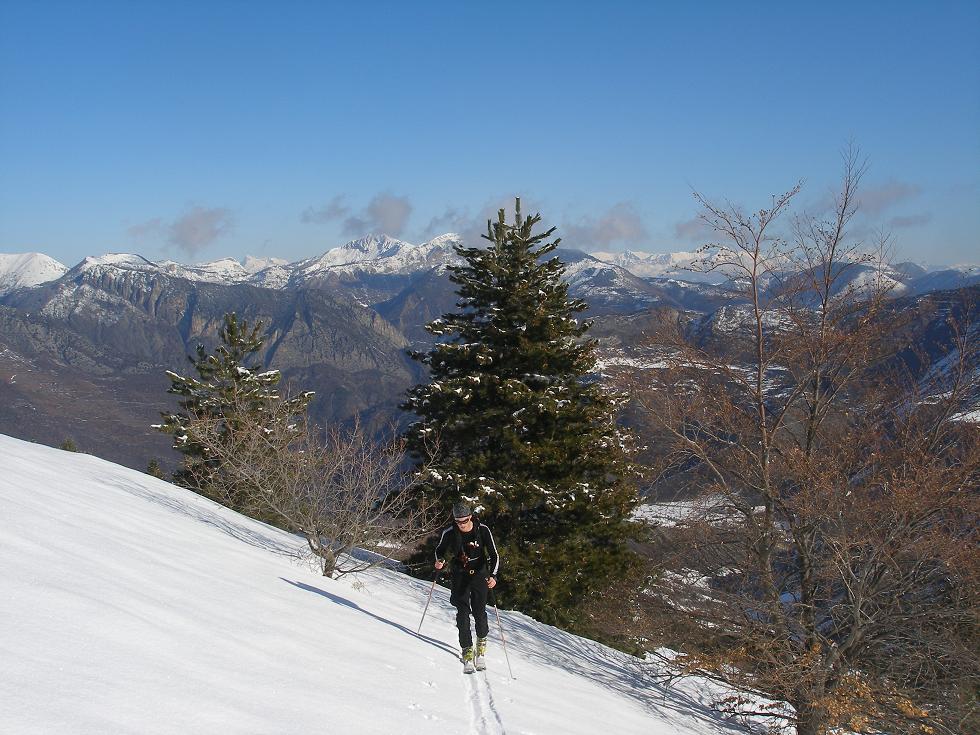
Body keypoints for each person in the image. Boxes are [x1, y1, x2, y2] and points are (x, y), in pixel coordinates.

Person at [434, 503, 500, 673]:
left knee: (479, 613)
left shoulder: (482, 530)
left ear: (470, 517)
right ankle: (467, 650)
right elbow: (439, 550)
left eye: (464, 520)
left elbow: (494, 554)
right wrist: (440, 560)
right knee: (462, 614)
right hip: (460, 574)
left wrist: (493, 576)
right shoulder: (450, 531)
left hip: (479, 574)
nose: (461, 524)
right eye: (458, 521)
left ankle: (481, 647)